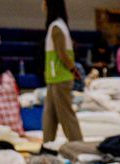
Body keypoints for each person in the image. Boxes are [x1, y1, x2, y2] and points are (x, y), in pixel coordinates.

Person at [42, 0, 82, 144]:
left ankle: (78, 146)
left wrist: (73, 69)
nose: (43, 5)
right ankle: (47, 146)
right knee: (49, 116)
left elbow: (62, 54)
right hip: (55, 77)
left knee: (66, 115)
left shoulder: (56, 27)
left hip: (60, 77)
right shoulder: (58, 26)